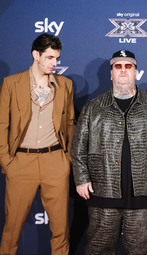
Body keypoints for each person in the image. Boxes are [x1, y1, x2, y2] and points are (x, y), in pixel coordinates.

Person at [71, 49, 147, 255]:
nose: (123, 70)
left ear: (136, 72)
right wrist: (81, 178)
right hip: (102, 191)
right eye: (118, 66)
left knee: (143, 248)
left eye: (128, 66)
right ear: (110, 73)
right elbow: (78, 147)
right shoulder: (93, 108)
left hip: (143, 190)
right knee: (98, 247)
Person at [0, 33, 75, 254]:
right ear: (36, 55)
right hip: (21, 162)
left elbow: (70, 123)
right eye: (50, 58)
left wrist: (66, 159)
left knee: (61, 229)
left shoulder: (66, 85)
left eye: (57, 58)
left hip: (55, 162)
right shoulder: (11, 83)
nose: (55, 63)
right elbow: (2, 124)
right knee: (12, 229)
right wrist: (7, 161)